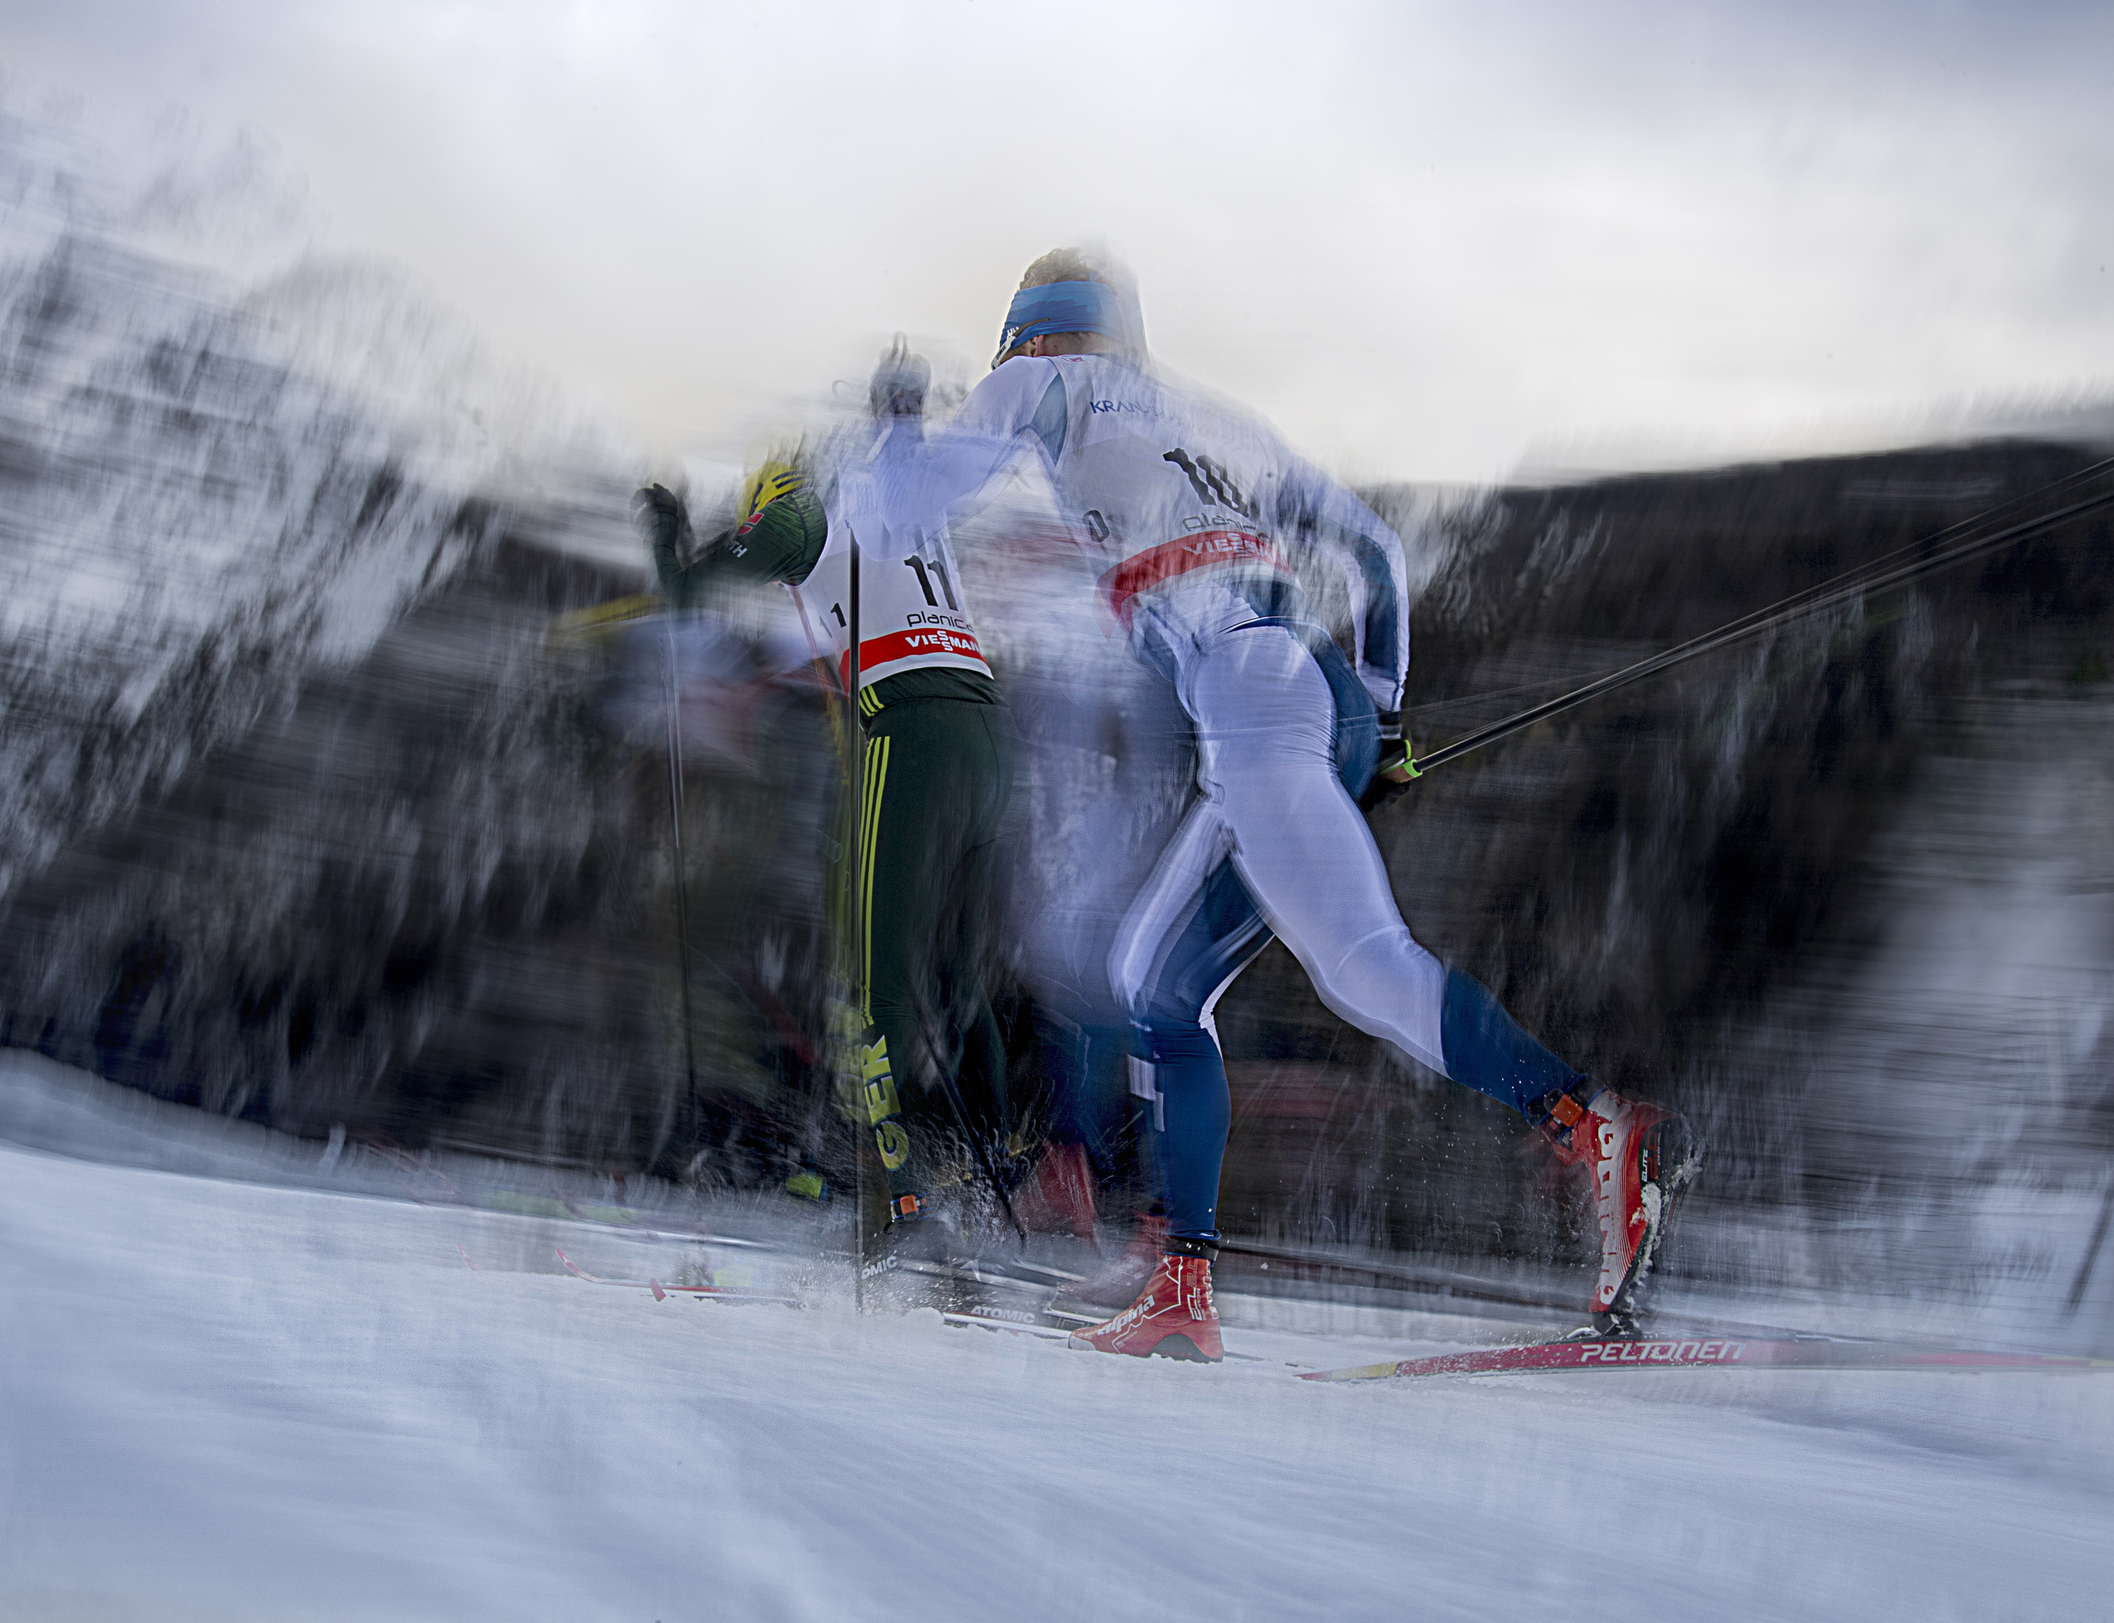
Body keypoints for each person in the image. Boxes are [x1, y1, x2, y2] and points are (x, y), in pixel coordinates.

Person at [833, 250, 1696, 1359]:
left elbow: (907, 505)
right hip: (1308, 685)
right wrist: (1379, 720)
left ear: (1030, 337)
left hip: (1248, 693)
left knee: (1363, 965)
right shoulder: (1217, 421)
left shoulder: (1045, 382)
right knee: (1157, 979)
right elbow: (1374, 551)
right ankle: (1175, 1268)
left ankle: (1592, 1125)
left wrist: (897, 427)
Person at [635, 343, 1018, 1293]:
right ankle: (995, 1167)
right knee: (953, 972)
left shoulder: (803, 506)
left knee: (868, 981)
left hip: (911, 724)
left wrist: (670, 533)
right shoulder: (902, 505)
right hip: (984, 730)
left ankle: (903, 1206)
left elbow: (693, 586)